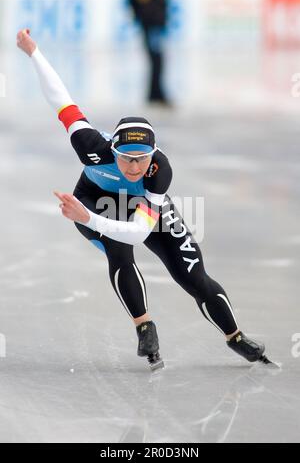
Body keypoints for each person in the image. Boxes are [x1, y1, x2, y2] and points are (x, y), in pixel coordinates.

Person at [17, 29, 269, 370]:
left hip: (134, 210)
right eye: (126, 159)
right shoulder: (90, 145)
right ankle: (145, 326)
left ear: (154, 155)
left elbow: (138, 231)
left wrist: (85, 219)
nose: (134, 167)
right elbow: (59, 98)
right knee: (117, 249)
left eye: (142, 159)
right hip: (93, 198)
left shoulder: (159, 172)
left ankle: (235, 336)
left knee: (193, 276)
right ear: (113, 151)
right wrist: (34, 52)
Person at [128, 0, 169, 105]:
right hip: (152, 26)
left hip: (153, 25)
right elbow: (139, 3)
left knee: (156, 61)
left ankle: (155, 94)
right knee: (156, 61)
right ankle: (156, 95)